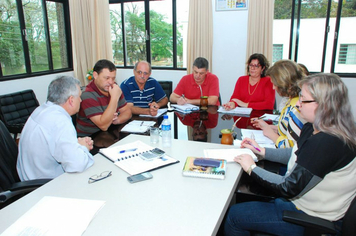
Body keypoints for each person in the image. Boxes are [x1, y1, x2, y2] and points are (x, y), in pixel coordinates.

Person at [224, 73, 356, 236]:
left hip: (311, 217)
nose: (298, 104)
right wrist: (262, 152)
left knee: (234, 216)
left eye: (304, 100)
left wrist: (251, 167)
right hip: (301, 204)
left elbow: (288, 187)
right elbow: (296, 154)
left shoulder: (329, 142)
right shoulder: (314, 127)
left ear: (325, 106)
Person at [17, 76, 95, 181]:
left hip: (29, 175)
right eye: (79, 97)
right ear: (71, 100)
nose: (81, 100)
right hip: (45, 184)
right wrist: (84, 147)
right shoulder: (60, 121)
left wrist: (76, 145)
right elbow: (77, 165)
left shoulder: (41, 110)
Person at [251, 60, 306, 148]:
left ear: (284, 83)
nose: (273, 87)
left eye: (275, 84)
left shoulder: (296, 109)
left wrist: (270, 134)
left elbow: (290, 148)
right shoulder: (291, 101)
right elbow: (289, 130)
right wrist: (271, 127)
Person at [76, 59, 132, 136]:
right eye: (107, 78)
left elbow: (127, 112)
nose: (111, 82)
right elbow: (103, 126)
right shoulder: (87, 94)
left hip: (110, 132)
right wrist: (114, 97)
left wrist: (117, 120)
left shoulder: (113, 87)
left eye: (113, 78)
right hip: (90, 138)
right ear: (95, 75)